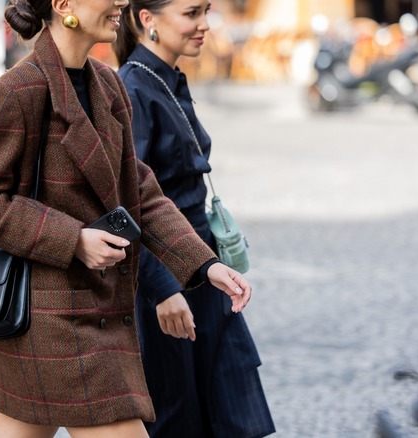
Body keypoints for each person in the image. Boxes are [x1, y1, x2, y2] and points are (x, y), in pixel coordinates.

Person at [0, 0, 253, 435]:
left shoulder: (108, 85)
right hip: (49, 322)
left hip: (96, 315)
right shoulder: (16, 92)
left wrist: (205, 263)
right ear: (63, 4)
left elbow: (140, 191)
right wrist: (73, 239)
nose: (122, 2)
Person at [113, 1, 276, 437]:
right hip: (166, 280)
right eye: (191, 13)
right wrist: (161, 289)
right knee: (178, 415)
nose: (204, 24)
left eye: (205, 10)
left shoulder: (166, 78)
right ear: (148, 19)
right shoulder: (133, 88)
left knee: (229, 407)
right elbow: (127, 204)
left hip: (202, 270)